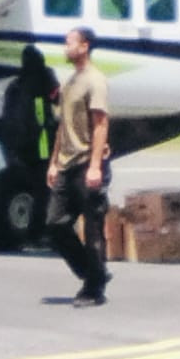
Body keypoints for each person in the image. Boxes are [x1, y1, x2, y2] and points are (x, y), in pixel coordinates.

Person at [45, 27, 111, 306]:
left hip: (87, 164)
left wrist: (95, 166)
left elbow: (101, 123)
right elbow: (63, 125)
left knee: (93, 228)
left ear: (84, 46)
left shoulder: (95, 81)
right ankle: (92, 272)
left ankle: (93, 290)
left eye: (69, 42)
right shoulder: (70, 82)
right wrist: (53, 162)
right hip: (66, 164)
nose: (65, 47)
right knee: (54, 224)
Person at [0, 43, 61, 223]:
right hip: (41, 141)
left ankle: (35, 224)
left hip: (19, 144)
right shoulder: (44, 77)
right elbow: (56, 98)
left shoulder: (15, 85)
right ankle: (41, 225)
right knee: (45, 187)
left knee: (32, 184)